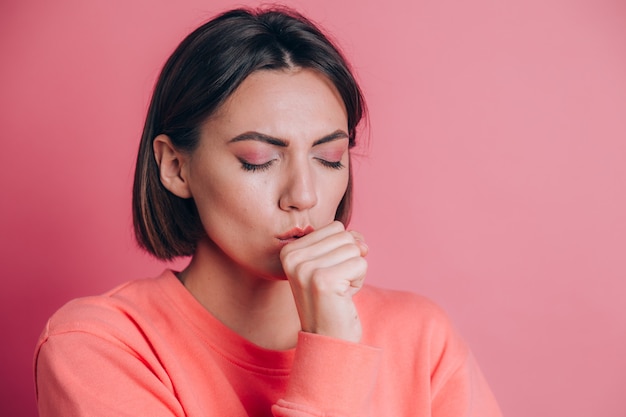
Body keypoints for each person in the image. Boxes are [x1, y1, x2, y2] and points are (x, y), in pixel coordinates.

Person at [34, 6, 502, 417]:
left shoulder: (420, 336)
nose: (304, 195)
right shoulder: (102, 346)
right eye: (259, 159)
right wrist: (333, 351)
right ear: (176, 167)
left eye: (329, 158)